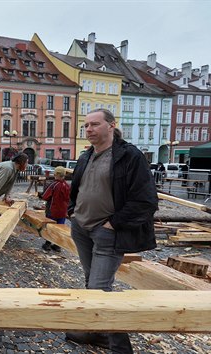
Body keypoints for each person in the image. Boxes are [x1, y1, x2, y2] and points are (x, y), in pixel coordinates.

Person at [66, 108, 158, 353]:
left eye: (94, 124)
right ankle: (97, 333)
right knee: (91, 283)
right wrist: (72, 212)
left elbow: (146, 200)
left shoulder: (129, 156)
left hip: (107, 231)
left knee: (99, 289)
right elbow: (77, 189)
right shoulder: (86, 156)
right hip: (81, 228)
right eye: (85, 125)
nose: (89, 130)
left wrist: (113, 224)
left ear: (111, 126)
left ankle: (119, 346)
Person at [39, 166, 70, 252]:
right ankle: (57, 245)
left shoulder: (53, 184)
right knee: (59, 228)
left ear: (56, 174)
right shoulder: (67, 185)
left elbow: (45, 196)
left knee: (50, 227)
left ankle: (47, 244)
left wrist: (40, 195)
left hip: (52, 210)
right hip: (63, 211)